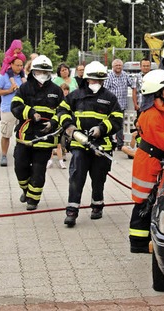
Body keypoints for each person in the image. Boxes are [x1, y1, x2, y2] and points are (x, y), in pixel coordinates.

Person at [58, 61, 123, 227]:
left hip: (102, 146)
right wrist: (70, 127)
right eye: (93, 80)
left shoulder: (109, 98)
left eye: (100, 81)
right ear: (87, 79)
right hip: (80, 144)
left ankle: (97, 205)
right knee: (76, 177)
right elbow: (62, 110)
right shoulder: (76, 95)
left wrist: (101, 129)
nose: (96, 84)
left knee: (98, 178)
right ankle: (72, 211)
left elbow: (117, 119)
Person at [128, 69, 164, 253]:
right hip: (149, 163)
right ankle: (137, 244)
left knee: (149, 202)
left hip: (153, 160)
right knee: (143, 203)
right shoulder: (152, 115)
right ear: (157, 91)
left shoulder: (160, 112)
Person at [11, 55, 64, 211]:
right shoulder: (25, 88)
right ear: (33, 71)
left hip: (45, 137)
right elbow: (15, 105)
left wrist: (54, 122)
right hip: (25, 136)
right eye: (39, 70)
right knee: (20, 167)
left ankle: (33, 199)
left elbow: (63, 110)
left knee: (38, 169)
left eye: (45, 71)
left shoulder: (56, 90)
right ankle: (26, 190)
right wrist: (30, 113)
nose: (42, 73)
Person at [0, 58, 24, 167]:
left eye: (21, 65)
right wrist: (8, 91)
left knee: (22, 133)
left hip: (21, 109)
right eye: (17, 65)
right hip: (8, 109)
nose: (20, 68)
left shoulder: (22, 77)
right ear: (11, 64)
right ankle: (4, 155)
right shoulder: (3, 76)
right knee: (6, 134)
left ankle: (21, 155)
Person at [104, 58, 136, 149]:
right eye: (116, 65)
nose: (118, 67)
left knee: (120, 125)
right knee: (109, 123)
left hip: (122, 105)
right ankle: (110, 141)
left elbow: (133, 85)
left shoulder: (125, 75)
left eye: (120, 65)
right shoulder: (109, 76)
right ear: (113, 67)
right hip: (110, 106)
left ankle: (120, 144)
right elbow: (105, 90)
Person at [47, 83, 70, 169]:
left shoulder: (68, 100)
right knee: (52, 143)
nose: (66, 92)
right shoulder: (57, 100)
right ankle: (50, 160)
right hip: (54, 123)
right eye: (64, 90)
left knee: (59, 144)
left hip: (61, 125)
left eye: (67, 90)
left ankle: (60, 161)